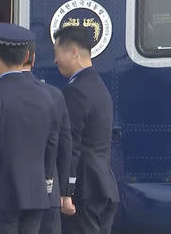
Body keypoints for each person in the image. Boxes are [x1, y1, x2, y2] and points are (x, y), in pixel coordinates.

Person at [0, 22, 58, 234]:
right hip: (36, 195)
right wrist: (46, 188)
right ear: (28, 56)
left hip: (2, 196)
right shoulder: (48, 96)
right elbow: (51, 146)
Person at [53, 26, 119, 234]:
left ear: (73, 52)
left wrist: (65, 192)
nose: (55, 60)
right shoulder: (99, 87)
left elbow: (71, 145)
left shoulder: (76, 91)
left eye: (57, 53)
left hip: (84, 191)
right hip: (103, 185)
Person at [22, 43, 75, 234]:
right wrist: (63, 191)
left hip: (10, 197)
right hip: (48, 192)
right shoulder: (54, 94)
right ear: (32, 58)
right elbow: (64, 144)